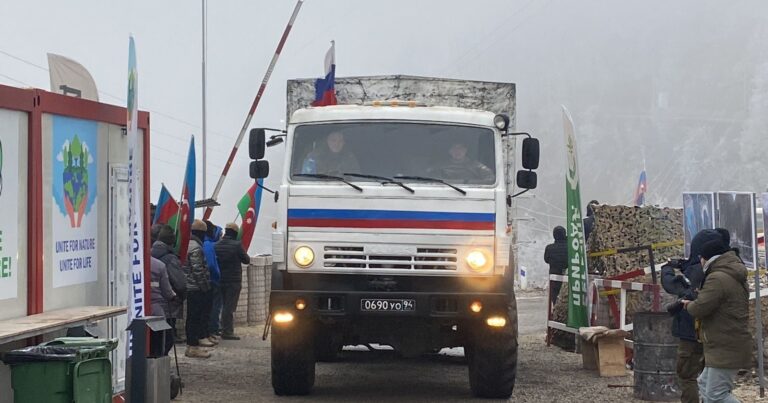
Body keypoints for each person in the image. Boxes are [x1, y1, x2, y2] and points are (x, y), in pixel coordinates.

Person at [683, 230, 751, 403]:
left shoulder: (718, 278)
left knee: (716, 395)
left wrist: (688, 305)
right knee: (704, 383)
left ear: (707, 258)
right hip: (727, 342)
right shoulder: (729, 274)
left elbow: (700, 308)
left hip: (725, 345)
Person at [661, 229, 726, 403]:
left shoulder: (695, 271)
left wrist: (666, 269)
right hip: (712, 332)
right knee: (708, 379)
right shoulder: (719, 270)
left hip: (690, 331)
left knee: (687, 375)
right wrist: (682, 264)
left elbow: (672, 285)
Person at [214, 223, 251, 340]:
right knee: (229, 307)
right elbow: (246, 260)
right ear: (235, 233)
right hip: (233, 281)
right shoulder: (237, 245)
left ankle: (217, 328)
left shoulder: (217, 245)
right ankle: (227, 332)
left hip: (219, 279)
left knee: (219, 305)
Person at [151, 224, 187, 344]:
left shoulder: (148, 256)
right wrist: (179, 297)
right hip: (168, 305)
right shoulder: (170, 259)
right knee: (166, 340)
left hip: (150, 306)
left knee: (155, 339)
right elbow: (180, 284)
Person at [184, 219, 214, 358]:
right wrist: (205, 287)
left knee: (191, 318)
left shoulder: (187, 245)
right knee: (195, 318)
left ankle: (192, 345)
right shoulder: (196, 247)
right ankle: (193, 346)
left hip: (190, 287)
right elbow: (198, 270)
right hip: (196, 288)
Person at [149, 256, 176, 356]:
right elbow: (167, 292)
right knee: (161, 338)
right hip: (156, 309)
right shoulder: (159, 265)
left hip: (137, 310)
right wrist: (173, 297)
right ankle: (158, 358)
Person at [203, 220, 223, 340]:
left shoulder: (200, 243)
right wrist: (217, 276)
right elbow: (211, 265)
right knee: (213, 307)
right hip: (211, 281)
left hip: (200, 281)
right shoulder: (209, 245)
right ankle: (212, 330)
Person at [544, 226, 567, 307]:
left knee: (555, 297)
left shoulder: (549, 248)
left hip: (554, 276)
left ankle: (556, 312)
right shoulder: (570, 248)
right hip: (568, 276)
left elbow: (546, 260)